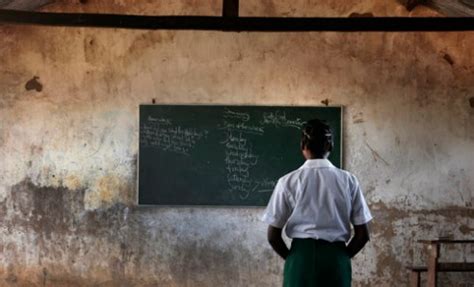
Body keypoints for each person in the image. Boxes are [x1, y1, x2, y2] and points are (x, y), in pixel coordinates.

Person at [261, 119, 373, 287]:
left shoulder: (287, 181)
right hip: (336, 259)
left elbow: (273, 236)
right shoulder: (348, 180)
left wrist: (294, 259)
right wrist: (340, 257)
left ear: (302, 146)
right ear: (331, 146)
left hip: (300, 260)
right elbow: (362, 235)